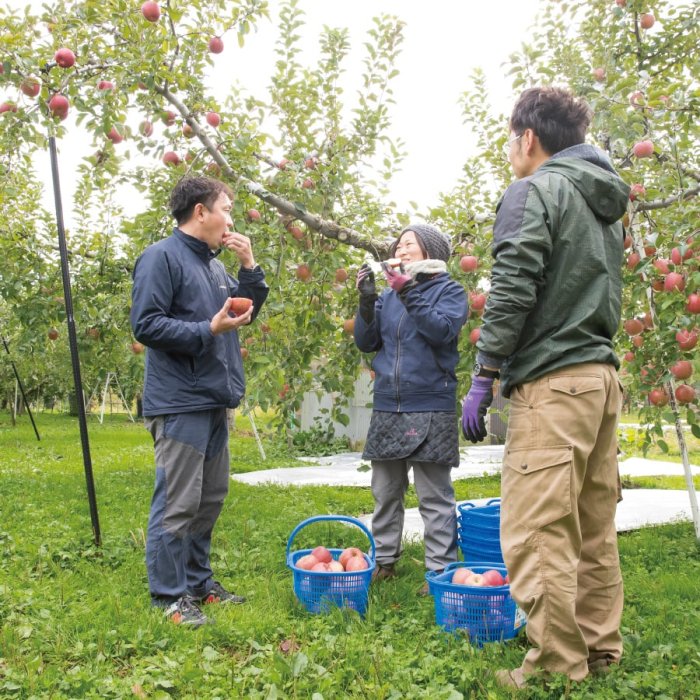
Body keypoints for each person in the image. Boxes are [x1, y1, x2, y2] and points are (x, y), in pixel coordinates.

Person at [461, 87, 630, 687]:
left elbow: (511, 288)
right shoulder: (606, 201)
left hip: (555, 383)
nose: (512, 150)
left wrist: (485, 374)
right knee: (590, 525)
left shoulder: (533, 190)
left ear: (528, 139)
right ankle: (599, 646)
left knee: (538, 529)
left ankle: (558, 664)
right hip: (601, 379)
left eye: (512, 139)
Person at [131, 176, 269, 627]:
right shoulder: (161, 258)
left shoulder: (211, 265)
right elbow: (146, 325)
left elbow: (242, 309)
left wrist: (248, 266)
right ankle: (169, 597)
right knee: (178, 501)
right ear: (200, 212)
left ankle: (197, 583)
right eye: (226, 209)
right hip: (180, 400)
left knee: (209, 498)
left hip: (213, 397)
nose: (231, 218)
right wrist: (206, 331)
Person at [354, 224, 469, 594]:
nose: (401, 250)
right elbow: (366, 342)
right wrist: (367, 302)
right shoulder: (388, 297)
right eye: (399, 245)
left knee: (434, 495)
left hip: (431, 401)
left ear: (430, 251)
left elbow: (440, 331)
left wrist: (408, 292)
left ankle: (439, 571)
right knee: (385, 489)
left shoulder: (450, 291)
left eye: (410, 245)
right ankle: (385, 561)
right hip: (389, 403)